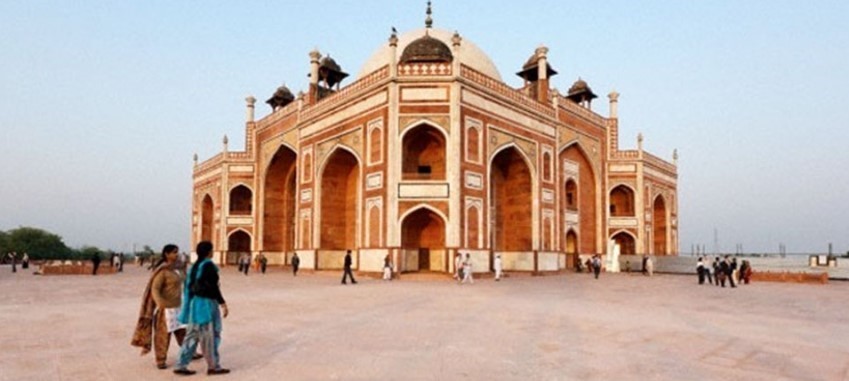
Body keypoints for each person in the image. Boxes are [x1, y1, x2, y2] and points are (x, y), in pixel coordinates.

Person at [131, 244, 196, 369]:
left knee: (183, 332)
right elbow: (155, 288)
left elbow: (185, 281)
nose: (176, 254)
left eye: (177, 252)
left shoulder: (176, 269)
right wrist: (160, 303)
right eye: (174, 252)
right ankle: (160, 359)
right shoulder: (163, 271)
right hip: (166, 308)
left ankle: (189, 352)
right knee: (163, 335)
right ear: (167, 254)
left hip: (178, 306)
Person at [173, 241, 230, 376]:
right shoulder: (209, 266)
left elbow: (189, 287)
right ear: (209, 252)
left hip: (195, 305)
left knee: (191, 336)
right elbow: (213, 287)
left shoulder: (194, 267)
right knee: (209, 336)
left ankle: (181, 365)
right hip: (206, 305)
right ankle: (213, 366)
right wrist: (222, 303)